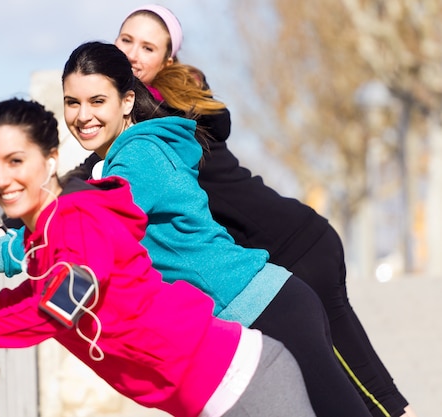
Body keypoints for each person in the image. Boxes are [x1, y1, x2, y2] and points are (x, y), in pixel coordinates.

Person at [0, 97, 317, 417]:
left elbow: (58, 310)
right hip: (217, 393)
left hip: (244, 383)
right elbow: (34, 295)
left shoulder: (78, 221)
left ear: (49, 159)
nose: (1, 180)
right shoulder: (44, 235)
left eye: (15, 161)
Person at [110, 5, 416, 417]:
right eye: (126, 40)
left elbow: (105, 183)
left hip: (295, 248)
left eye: (147, 47)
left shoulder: (164, 114)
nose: (132, 54)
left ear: (167, 59)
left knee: (362, 385)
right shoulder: (144, 113)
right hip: (277, 255)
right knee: (343, 383)